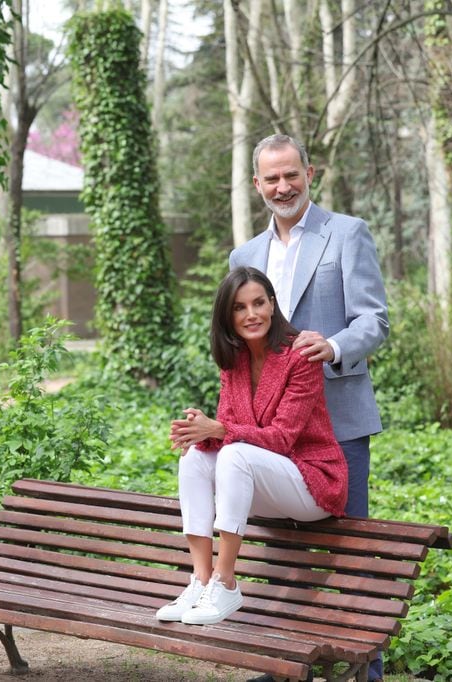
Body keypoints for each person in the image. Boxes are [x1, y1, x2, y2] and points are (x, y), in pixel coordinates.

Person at [232, 133, 389, 681]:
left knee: (351, 548)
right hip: (273, 429)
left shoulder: (346, 234)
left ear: (309, 173)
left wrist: (336, 345)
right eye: (271, 178)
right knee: (282, 551)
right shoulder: (244, 256)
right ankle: (284, 665)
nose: (282, 186)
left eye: (290, 174)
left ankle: (364, 670)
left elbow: (375, 320)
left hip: (339, 419)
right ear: (257, 185)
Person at [156, 266, 347, 627]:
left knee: (233, 451)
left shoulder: (299, 355)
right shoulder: (235, 360)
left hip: (311, 483)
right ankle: (200, 579)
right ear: (228, 316)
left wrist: (219, 428)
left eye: (259, 303)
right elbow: (233, 428)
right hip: (260, 481)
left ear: (273, 305)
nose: (251, 314)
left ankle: (225, 581)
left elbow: (281, 438)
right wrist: (201, 432)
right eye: (240, 308)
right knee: (195, 459)